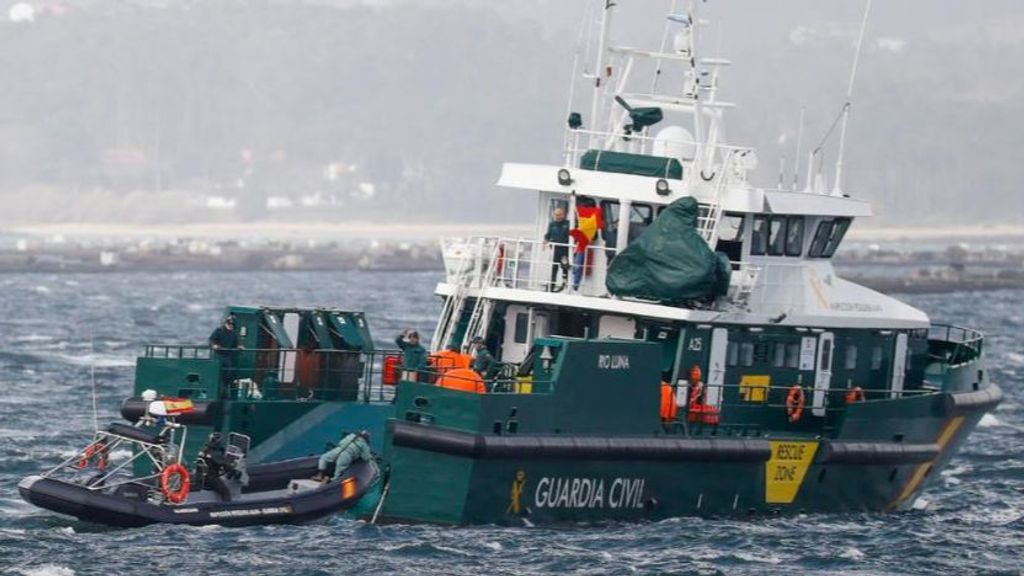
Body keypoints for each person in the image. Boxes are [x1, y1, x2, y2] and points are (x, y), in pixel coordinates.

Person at [194, 432, 234, 501]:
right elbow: (225, 465)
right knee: (226, 492)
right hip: (211, 478)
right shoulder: (215, 453)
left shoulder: (203, 449)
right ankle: (225, 508)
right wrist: (232, 468)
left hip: (200, 476)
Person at [209, 315, 244, 391]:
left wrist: (239, 346)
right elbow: (211, 340)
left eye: (232, 324)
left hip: (228, 356)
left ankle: (225, 390)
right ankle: (218, 390)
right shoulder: (219, 331)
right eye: (229, 324)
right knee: (218, 374)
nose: (230, 326)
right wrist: (214, 345)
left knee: (229, 373)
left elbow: (237, 343)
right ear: (225, 323)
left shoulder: (234, 333)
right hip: (219, 355)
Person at [543, 207, 570, 291]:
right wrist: (545, 243)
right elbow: (548, 235)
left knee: (565, 267)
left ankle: (564, 284)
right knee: (554, 268)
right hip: (556, 250)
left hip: (565, 250)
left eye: (559, 215)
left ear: (563, 215)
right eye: (556, 215)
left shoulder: (568, 224)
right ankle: (552, 285)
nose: (558, 216)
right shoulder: (552, 225)